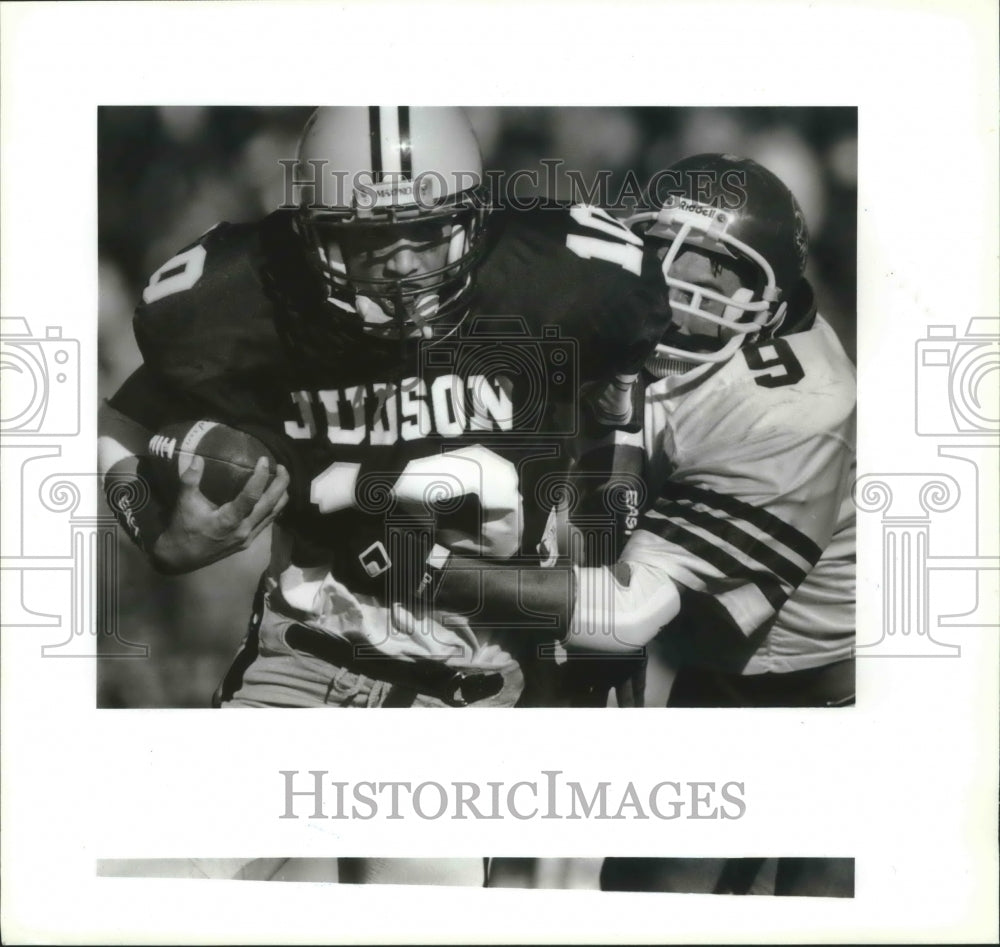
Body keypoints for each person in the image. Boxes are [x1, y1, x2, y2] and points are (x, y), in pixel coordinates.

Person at [421, 153, 856, 894]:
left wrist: (425, 572)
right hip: (716, 674)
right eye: (662, 247)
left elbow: (622, 611)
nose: (678, 277)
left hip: (839, 698)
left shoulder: (794, 408)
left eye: (715, 267)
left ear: (771, 298)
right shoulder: (627, 329)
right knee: (647, 904)